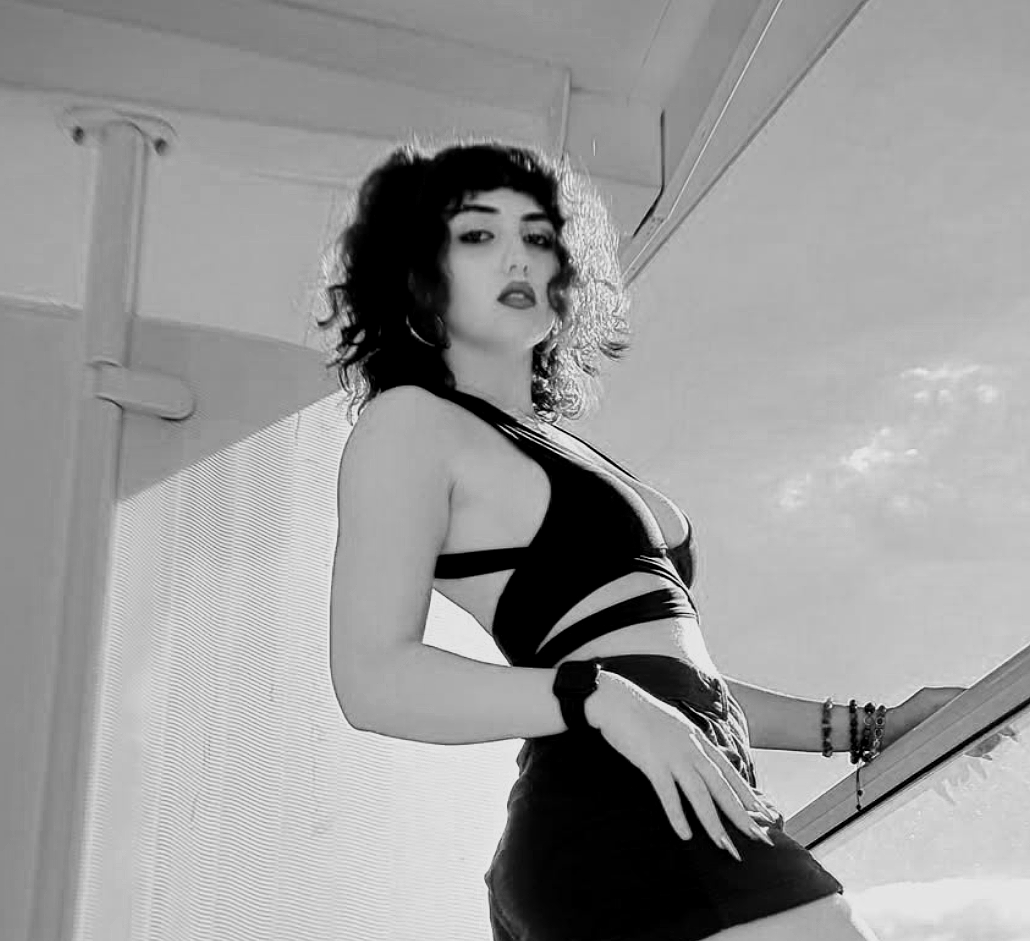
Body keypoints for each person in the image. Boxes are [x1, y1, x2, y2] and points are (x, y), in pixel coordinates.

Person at [317, 138, 964, 940]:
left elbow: (684, 683)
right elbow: (372, 678)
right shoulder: (411, 422)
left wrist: (869, 727)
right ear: (420, 271)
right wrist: (598, 695)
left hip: (678, 796)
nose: (518, 257)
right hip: (615, 811)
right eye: (479, 234)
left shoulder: (561, 447)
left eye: (538, 234)